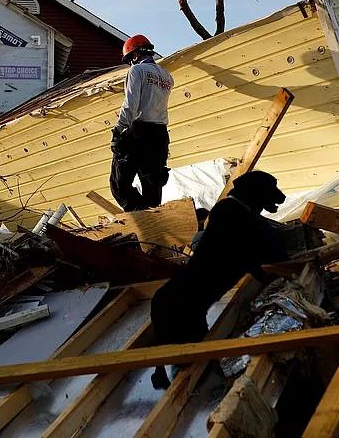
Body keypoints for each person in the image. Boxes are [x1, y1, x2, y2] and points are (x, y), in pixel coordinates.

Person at [149, 170, 289, 389]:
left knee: (177, 350)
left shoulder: (226, 211)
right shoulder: (240, 218)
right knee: (196, 367)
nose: (279, 196)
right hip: (186, 304)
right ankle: (184, 389)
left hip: (173, 297)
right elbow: (266, 256)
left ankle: (165, 374)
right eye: (271, 192)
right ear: (253, 193)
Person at [109, 34, 174, 212]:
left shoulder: (136, 71)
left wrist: (119, 130)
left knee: (119, 185)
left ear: (135, 55)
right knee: (153, 187)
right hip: (160, 135)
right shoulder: (167, 76)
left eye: (130, 60)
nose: (130, 63)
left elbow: (131, 105)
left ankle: (143, 217)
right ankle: (153, 220)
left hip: (138, 133)